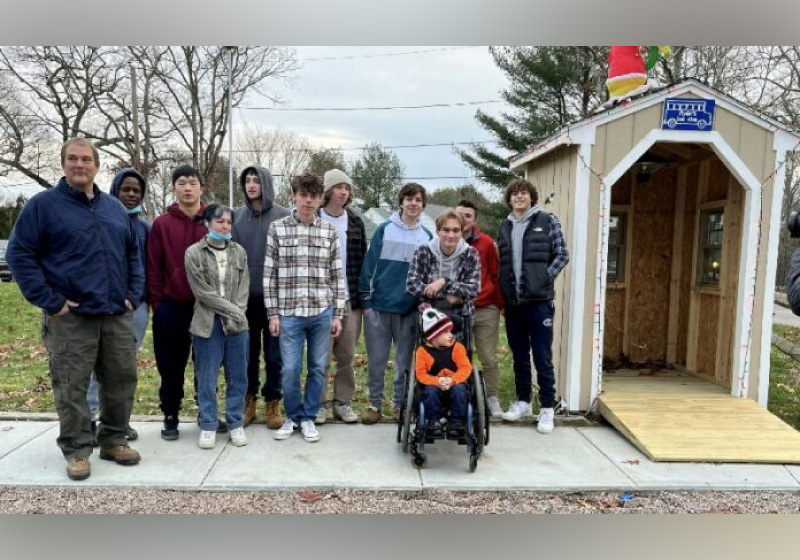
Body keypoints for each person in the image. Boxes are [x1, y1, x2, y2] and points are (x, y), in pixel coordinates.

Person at [7, 138, 143, 481]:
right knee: (71, 385)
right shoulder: (43, 207)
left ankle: (114, 438)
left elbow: (132, 254)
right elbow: (19, 255)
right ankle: (77, 449)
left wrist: (133, 294)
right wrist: (50, 301)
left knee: (121, 380)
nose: (79, 165)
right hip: (72, 318)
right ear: (64, 164)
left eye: (86, 159)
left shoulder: (114, 209)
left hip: (115, 314)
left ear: (96, 165)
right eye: (72, 159)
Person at [264, 173, 345, 443]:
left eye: (313, 196)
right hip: (288, 313)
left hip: (321, 311)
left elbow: (337, 274)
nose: (308, 201)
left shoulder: (329, 231)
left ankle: (309, 417)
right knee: (289, 369)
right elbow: (269, 275)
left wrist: (338, 313)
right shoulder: (278, 228)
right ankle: (292, 416)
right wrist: (272, 314)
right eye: (303, 195)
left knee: (318, 368)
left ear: (320, 198)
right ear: (295, 196)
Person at [148, 164, 218, 441]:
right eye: (181, 183)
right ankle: (170, 414)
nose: (187, 188)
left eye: (192, 182)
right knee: (170, 365)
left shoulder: (214, 221)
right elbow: (154, 266)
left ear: (201, 188)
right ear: (174, 188)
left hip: (206, 307)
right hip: (171, 307)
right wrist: (158, 303)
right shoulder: (162, 224)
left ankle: (206, 412)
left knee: (207, 365)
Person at [496, 179, 569, 434]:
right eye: (514, 193)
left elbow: (562, 255)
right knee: (519, 356)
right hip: (514, 303)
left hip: (539, 303)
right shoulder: (504, 226)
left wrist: (543, 279)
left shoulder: (548, 221)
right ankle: (524, 401)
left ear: (531, 197)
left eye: (523, 193)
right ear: (509, 199)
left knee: (542, 356)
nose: (519, 197)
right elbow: (501, 262)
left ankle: (547, 407)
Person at [359, 183, 432, 424]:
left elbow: (427, 277)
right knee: (377, 362)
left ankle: (401, 405)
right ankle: (374, 404)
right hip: (378, 309)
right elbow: (368, 267)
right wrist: (367, 304)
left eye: (418, 200)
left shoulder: (427, 237)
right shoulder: (384, 230)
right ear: (401, 202)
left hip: (408, 311)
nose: (413, 203)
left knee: (404, 363)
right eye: (409, 199)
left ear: (423, 205)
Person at [87, 168, 150, 444]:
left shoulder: (145, 228)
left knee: (122, 368)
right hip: (98, 305)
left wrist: (138, 297)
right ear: (115, 190)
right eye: (126, 189)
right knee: (93, 365)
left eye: (137, 190)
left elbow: (147, 267)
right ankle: (88, 418)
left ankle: (115, 422)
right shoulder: (98, 219)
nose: (131, 194)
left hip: (133, 307)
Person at [185, 204, 250, 449]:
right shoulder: (193, 253)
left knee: (238, 376)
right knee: (207, 377)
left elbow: (244, 287)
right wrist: (233, 310)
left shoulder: (239, 252)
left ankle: (235, 423)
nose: (225, 226)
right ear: (207, 223)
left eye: (228, 222)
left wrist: (238, 313)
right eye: (220, 221)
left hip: (237, 325)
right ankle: (209, 425)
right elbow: (203, 293)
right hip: (207, 323)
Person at [232, 166, 289, 430]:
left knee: (275, 356)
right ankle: (249, 401)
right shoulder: (236, 217)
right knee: (248, 354)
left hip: (275, 300)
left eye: (256, 180)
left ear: (266, 183)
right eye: (247, 181)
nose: (251, 185)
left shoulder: (283, 216)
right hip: (245, 301)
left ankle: (273, 401)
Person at [315, 169, 367, 425]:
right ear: (327, 191)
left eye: (347, 188)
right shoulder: (314, 218)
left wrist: (362, 298)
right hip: (320, 300)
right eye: (338, 187)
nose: (343, 192)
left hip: (350, 299)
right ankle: (319, 403)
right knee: (321, 355)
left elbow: (363, 263)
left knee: (346, 354)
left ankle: (343, 402)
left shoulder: (355, 222)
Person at [455, 200, 505, 417]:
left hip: (485, 308)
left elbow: (495, 274)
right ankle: (459, 395)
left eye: (468, 215)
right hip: (456, 308)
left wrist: (500, 305)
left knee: (488, 356)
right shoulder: (446, 240)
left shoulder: (485, 243)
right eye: (459, 215)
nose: (463, 219)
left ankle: (491, 397)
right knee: (456, 354)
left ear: (474, 220)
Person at [406, 209, 481, 327]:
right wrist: (446, 295)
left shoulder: (470, 254)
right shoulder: (423, 251)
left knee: (459, 346)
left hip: (460, 316)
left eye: (456, 230)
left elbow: (473, 290)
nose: (451, 235)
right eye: (446, 230)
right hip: (428, 315)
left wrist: (444, 282)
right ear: (438, 231)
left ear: (462, 232)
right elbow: (412, 285)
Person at [414, 304, 472, 439]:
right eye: (446, 332)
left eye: (451, 331)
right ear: (434, 336)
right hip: (434, 385)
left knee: (460, 390)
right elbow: (421, 374)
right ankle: (433, 422)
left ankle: (457, 423)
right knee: (430, 391)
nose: (451, 335)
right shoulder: (422, 352)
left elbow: (465, 367)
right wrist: (437, 381)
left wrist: (453, 380)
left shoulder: (457, 347)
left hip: (455, 382)